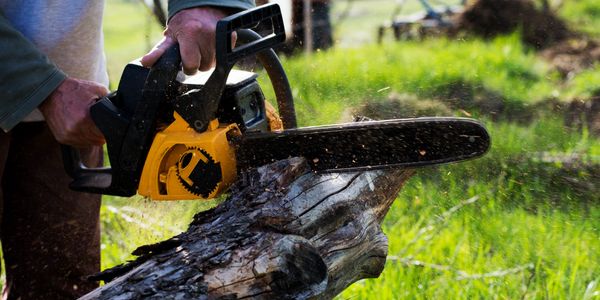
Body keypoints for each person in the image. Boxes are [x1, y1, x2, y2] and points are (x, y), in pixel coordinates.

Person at [0, 0, 254, 298]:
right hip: (50, 89)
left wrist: (203, 5)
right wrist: (41, 87)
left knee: (62, 284)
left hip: (74, 101)